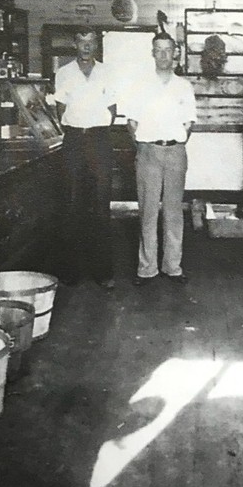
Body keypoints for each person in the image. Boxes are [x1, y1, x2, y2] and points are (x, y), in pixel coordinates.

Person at [126, 32, 196, 286]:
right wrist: (146, 146)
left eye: (168, 49)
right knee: (147, 211)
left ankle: (173, 267)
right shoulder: (139, 85)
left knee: (174, 211)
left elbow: (189, 123)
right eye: (159, 49)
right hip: (148, 152)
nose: (164, 54)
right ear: (152, 53)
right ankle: (147, 269)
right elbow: (131, 122)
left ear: (174, 52)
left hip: (176, 152)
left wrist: (174, 141)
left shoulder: (184, 86)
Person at [54, 26, 117, 290]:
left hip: (99, 140)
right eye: (82, 42)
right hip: (74, 141)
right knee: (72, 204)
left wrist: (97, 128)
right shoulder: (64, 73)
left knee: (101, 205)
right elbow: (60, 109)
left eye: (91, 42)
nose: (86, 47)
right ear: (75, 44)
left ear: (96, 46)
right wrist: (77, 129)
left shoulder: (106, 72)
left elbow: (112, 108)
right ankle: (71, 271)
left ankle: (103, 272)